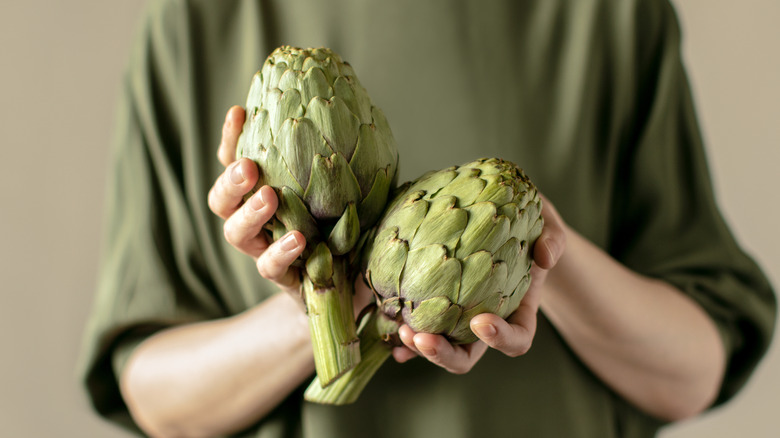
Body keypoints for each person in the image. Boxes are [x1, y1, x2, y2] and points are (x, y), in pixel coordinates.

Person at [79, 0, 776, 437]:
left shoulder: (613, 14)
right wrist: (327, 303)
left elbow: (692, 373)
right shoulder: (193, 21)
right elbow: (155, 395)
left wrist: (533, 250)